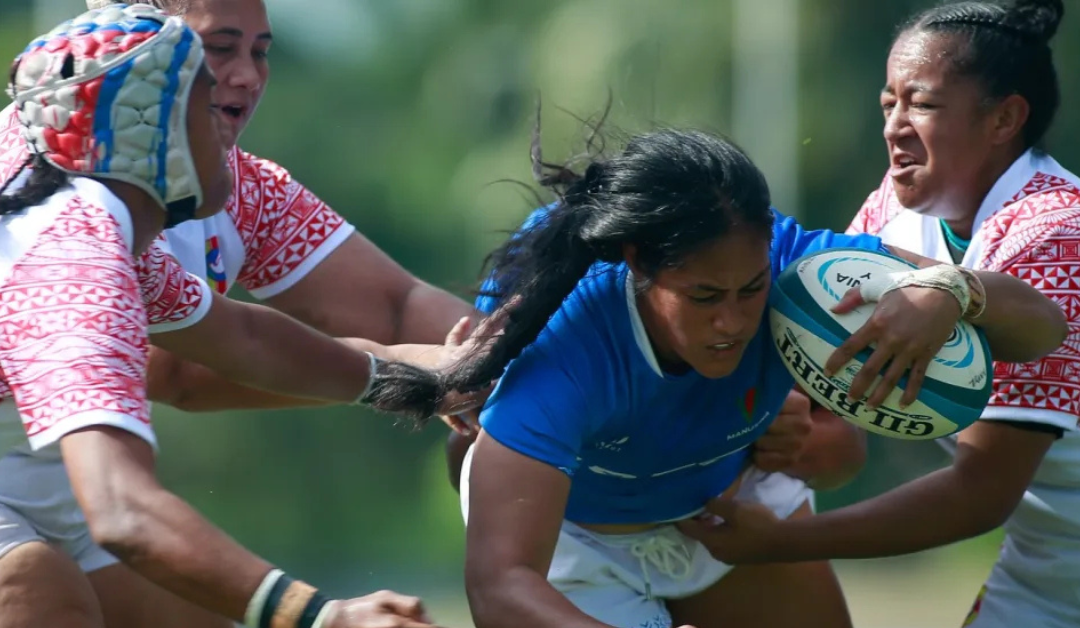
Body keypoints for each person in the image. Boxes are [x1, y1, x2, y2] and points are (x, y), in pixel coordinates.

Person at [412, 127, 1067, 628]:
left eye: (749, 289)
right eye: (703, 297)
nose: (732, 321)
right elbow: (500, 584)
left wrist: (955, 290)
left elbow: (1044, 329)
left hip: (722, 513)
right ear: (639, 264)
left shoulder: (805, 272)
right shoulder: (568, 344)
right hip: (578, 540)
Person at [0, 5, 473, 628]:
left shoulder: (112, 213)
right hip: (83, 486)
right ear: (150, 128)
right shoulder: (71, 255)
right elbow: (125, 508)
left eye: (259, 52)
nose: (243, 89)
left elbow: (242, 336)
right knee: (39, 590)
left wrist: (429, 376)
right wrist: (323, 618)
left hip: (57, 470)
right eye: (210, 77)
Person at [676, 2, 1080, 627]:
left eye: (922, 103)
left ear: (1005, 117)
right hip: (1047, 569)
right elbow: (836, 433)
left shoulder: (1057, 236)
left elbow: (981, 492)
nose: (894, 125)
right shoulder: (891, 217)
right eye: (888, 102)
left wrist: (782, 542)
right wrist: (775, 428)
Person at [0, 0, 480, 413]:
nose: (248, 76)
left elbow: (394, 309)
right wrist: (424, 375)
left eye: (260, 51)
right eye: (220, 48)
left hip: (63, 471)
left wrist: (508, 359)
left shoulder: (239, 182)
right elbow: (178, 370)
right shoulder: (70, 207)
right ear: (137, 53)